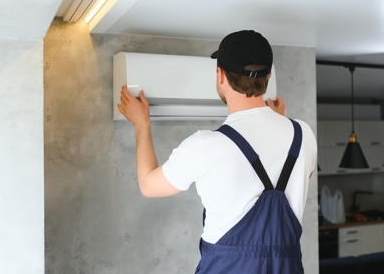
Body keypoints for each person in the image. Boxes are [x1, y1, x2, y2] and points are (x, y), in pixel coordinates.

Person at [117, 30, 317, 274]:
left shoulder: (205, 145)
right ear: (269, 76)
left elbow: (149, 185)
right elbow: (300, 176)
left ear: (220, 75)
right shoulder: (303, 134)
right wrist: (278, 124)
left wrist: (141, 125)